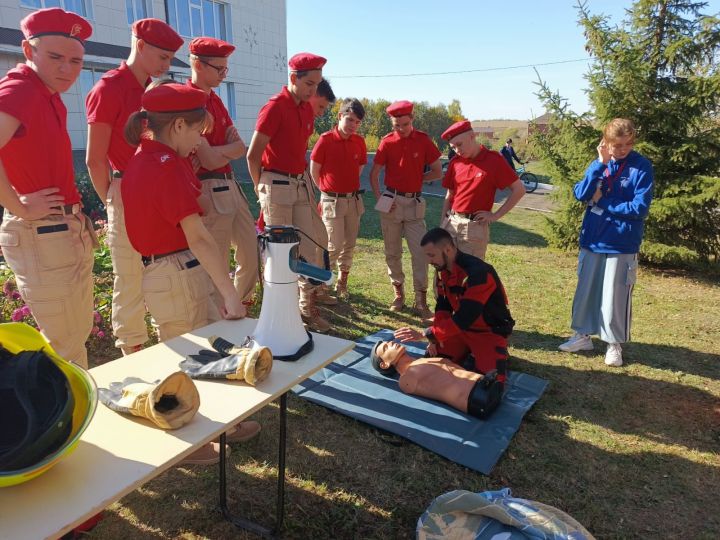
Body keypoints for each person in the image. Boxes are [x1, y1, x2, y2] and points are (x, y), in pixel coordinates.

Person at [121, 82, 250, 464]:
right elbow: (199, 237)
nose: (199, 142)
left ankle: (220, 424)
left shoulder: (160, 159)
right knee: (184, 361)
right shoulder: (161, 166)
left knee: (207, 352)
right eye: (197, 132)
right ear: (179, 126)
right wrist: (230, 293)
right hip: (173, 271)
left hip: (180, 269)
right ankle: (186, 442)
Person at [0, 8, 96, 368]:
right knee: (66, 349)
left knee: (73, 341)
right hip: (40, 232)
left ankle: (82, 418)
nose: (67, 68)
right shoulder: (21, 88)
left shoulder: (46, 92)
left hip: (60, 230)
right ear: (29, 50)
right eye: (55, 57)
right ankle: (77, 424)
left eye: (76, 60)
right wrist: (21, 207)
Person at [85, 18, 183, 356]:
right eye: (162, 57)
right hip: (127, 191)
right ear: (140, 46)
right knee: (129, 277)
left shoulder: (155, 92)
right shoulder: (108, 88)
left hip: (160, 193)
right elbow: (94, 160)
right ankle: (133, 354)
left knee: (163, 269)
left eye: (170, 60)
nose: (166, 66)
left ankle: (170, 347)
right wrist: (115, 203)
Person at [246, 52, 332, 333]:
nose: (313, 90)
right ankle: (279, 313)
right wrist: (263, 192)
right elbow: (252, 155)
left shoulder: (306, 108)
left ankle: (306, 308)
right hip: (276, 185)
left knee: (310, 245)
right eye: (309, 84)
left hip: (300, 183)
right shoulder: (274, 107)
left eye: (317, 84)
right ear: (293, 78)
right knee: (279, 252)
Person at [558, 118, 653, 367]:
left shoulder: (641, 167)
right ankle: (582, 336)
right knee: (585, 292)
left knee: (615, 296)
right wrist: (599, 164)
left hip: (621, 242)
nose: (621, 150)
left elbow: (639, 208)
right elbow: (580, 193)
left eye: (627, 144)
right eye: (616, 145)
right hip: (593, 239)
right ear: (605, 143)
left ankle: (613, 344)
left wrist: (603, 202)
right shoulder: (601, 163)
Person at [186, 37, 258, 307]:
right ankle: (218, 317)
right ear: (197, 64)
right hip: (209, 187)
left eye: (225, 70)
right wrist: (229, 149)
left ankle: (236, 308)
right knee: (215, 260)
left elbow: (241, 147)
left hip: (230, 184)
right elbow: (209, 159)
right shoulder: (189, 102)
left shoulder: (215, 99)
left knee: (251, 254)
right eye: (219, 69)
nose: (223, 75)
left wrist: (225, 150)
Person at [394, 228, 514, 379]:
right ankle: (471, 353)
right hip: (462, 330)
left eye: (432, 255)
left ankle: (495, 352)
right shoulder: (442, 269)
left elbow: (464, 317)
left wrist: (427, 334)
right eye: (427, 256)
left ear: (448, 249)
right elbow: (443, 306)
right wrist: (435, 340)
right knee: (432, 364)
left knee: (488, 387)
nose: (429, 261)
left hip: (489, 331)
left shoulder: (478, 273)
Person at [369, 100, 442, 318]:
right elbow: (374, 175)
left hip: (414, 205)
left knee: (420, 252)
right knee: (392, 251)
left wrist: (418, 179)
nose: (400, 129)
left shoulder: (423, 141)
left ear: (412, 119)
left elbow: (438, 171)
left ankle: (421, 300)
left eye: (404, 124)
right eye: (396, 125)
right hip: (391, 202)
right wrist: (381, 197)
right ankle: (398, 294)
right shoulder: (387, 142)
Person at [440, 121, 525, 259]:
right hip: (451, 223)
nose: (457, 150)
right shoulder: (456, 162)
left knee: (470, 276)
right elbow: (450, 195)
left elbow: (519, 190)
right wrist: (442, 224)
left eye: (459, 144)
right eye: (453, 147)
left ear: (472, 136)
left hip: (474, 228)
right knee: (445, 273)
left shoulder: (494, 160)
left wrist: (495, 216)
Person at [310, 98, 367, 299]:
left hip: (352, 202)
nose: (353, 125)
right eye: (350, 120)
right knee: (332, 246)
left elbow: (359, 167)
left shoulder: (359, 142)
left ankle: (342, 283)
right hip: (331, 202)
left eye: (357, 122)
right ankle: (321, 286)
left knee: (349, 244)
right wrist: (327, 191)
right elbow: (314, 171)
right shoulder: (325, 140)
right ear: (340, 116)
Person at [370, 340, 503, 419]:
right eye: (386, 347)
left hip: (485, 384)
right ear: (384, 364)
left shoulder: (422, 362)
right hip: (477, 398)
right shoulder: (406, 380)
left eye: (388, 342)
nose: (392, 342)